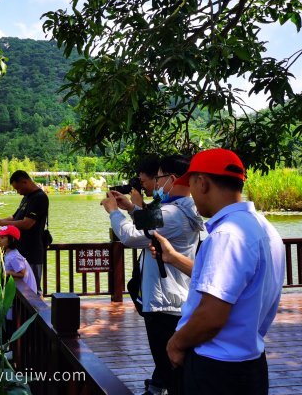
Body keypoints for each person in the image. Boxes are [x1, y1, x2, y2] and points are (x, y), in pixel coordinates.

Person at [150, 148, 285, 395]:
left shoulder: (227, 236)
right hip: (250, 363)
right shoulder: (265, 229)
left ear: (202, 182)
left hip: (216, 369)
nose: (191, 193)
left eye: (190, 185)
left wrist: (176, 344)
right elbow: (233, 287)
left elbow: (212, 316)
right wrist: (174, 258)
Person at [101, 155, 204, 395]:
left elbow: (130, 236)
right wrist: (132, 208)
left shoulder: (172, 213)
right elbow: (149, 225)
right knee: (174, 369)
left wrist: (114, 212)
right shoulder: (180, 210)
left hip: (164, 303)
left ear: (172, 179)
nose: (156, 186)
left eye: (158, 179)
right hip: (175, 298)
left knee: (170, 369)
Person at [0, 170, 49, 291]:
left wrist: (0, 222)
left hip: (32, 251)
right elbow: (14, 218)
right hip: (20, 250)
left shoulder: (40, 198)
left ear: (25, 182)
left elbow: (27, 224)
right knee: (19, 288)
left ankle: (38, 310)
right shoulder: (26, 198)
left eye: (18, 188)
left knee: (33, 289)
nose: (18, 192)